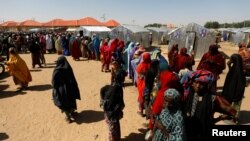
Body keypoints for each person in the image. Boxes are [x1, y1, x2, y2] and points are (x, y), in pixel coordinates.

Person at [51, 56, 81, 123]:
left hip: (61, 90)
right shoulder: (68, 68)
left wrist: (55, 91)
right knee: (71, 100)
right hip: (70, 88)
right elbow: (73, 78)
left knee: (64, 103)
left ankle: (68, 117)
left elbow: (53, 82)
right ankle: (72, 113)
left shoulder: (56, 70)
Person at [221, 54, 246, 124]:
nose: (230, 60)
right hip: (233, 91)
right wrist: (229, 66)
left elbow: (238, 83)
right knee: (231, 105)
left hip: (235, 92)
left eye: (231, 59)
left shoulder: (237, 70)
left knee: (235, 106)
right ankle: (229, 116)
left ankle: (234, 120)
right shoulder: (237, 68)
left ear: (234, 60)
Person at [136, 52, 151, 116]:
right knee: (148, 97)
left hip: (141, 83)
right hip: (149, 83)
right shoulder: (151, 65)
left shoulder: (141, 65)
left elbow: (138, 73)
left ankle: (141, 111)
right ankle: (148, 112)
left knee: (141, 96)